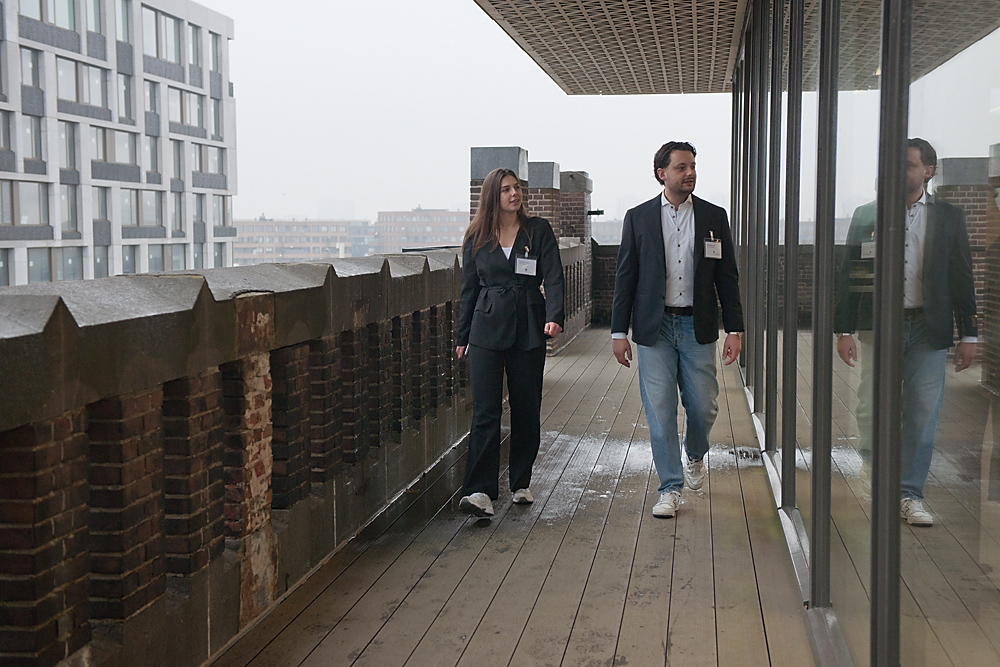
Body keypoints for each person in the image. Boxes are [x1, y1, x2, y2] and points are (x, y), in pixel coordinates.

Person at [834, 138, 976, 527]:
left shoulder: (949, 217)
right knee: (872, 404)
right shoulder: (869, 214)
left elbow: (962, 277)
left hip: (929, 328)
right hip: (881, 326)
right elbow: (849, 273)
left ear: (928, 171)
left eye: (909, 166)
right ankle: (873, 468)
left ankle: (909, 494)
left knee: (921, 412)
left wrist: (970, 335)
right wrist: (843, 328)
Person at [611, 141, 744, 519]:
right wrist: (618, 332)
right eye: (682, 167)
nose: (690, 173)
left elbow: (727, 277)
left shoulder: (714, 216)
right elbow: (625, 277)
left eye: (693, 166)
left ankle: (695, 453)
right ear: (662, 173)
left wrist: (735, 329)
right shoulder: (638, 218)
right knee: (660, 411)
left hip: (697, 325)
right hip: (654, 329)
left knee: (703, 406)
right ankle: (670, 487)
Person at [455, 167, 565, 518]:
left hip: (529, 324)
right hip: (486, 328)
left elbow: (555, 275)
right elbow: (468, 289)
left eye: (517, 188)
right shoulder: (476, 236)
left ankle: (520, 481)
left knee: (526, 406)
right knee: (485, 410)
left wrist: (555, 315)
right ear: (492, 195)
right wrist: (462, 336)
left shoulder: (538, 230)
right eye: (506, 189)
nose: (514, 194)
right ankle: (480, 491)